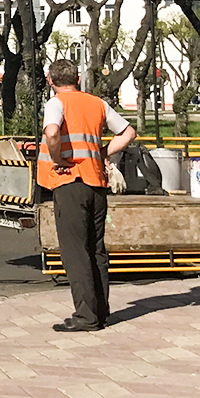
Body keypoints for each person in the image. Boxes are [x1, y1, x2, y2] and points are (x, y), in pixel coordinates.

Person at [38, 58, 136, 332]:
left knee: (75, 252)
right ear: (78, 79)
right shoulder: (97, 103)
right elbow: (128, 132)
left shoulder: (56, 103)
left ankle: (86, 316)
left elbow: (52, 132)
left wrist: (58, 158)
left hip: (69, 183)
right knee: (96, 250)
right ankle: (101, 311)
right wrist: (102, 153)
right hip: (96, 183)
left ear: (51, 81)